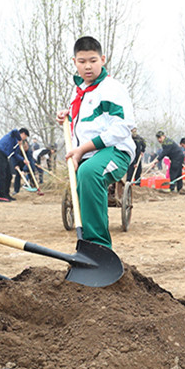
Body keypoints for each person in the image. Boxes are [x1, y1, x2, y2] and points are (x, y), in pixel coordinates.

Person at [56, 36, 136, 249]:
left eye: (92, 60)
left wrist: (81, 149)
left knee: (89, 173)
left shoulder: (112, 88)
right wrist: (69, 115)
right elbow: (90, 123)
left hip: (115, 151)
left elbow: (121, 127)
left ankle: (99, 248)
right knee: (83, 180)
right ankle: (89, 246)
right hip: (88, 154)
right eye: (82, 61)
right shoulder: (80, 92)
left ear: (102, 59)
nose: (88, 66)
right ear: (74, 62)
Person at [0, 128, 29, 202]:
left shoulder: (16, 144)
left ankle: (6, 194)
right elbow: (14, 130)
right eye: (25, 137)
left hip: (5, 156)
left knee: (9, 175)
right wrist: (19, 139)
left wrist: (23, 160)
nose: (24, 139)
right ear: (23, 134)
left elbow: (15, 154)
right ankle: (2, 196)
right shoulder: (12, 136)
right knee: (3, 175)